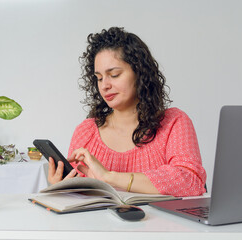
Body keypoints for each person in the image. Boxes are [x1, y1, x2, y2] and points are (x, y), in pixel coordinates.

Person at [48, 27, 207, 197]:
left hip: (160, 224)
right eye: (99, 78)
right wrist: (61, 189)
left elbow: (191, 181)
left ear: (139, 73)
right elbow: (79, 200)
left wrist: (110, 177)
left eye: (114, 75)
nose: (104, 85)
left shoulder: (174, 122)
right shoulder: (86, 132)